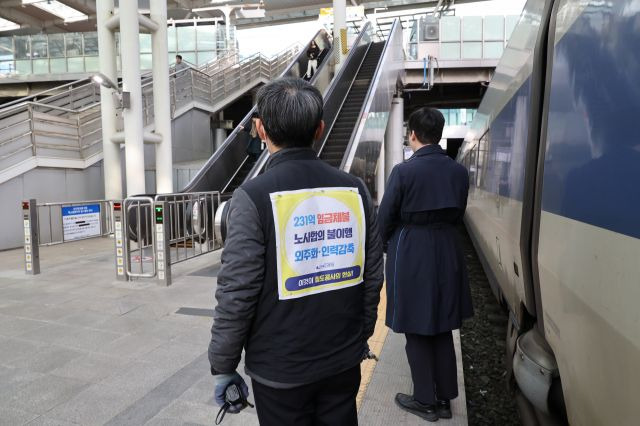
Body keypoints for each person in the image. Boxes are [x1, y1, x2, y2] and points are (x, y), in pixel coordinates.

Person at [208, 77, 384, 425]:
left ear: (260, 129)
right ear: (319, 129)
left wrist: (223, 365)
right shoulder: (355, 192)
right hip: (342, 361)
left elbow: (237, 292)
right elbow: (373, 274)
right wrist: (360, 335)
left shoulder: (252, 197)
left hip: (281, 370)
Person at [377, 107, 473, 422]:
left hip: (413, 250)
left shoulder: (403, 172)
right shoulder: (458, 172)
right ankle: (445, 400)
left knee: (417, 328)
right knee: (442, 325)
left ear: (413, 135)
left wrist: (388, 244)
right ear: (440, 134)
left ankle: (425, 401)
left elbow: (385, 218)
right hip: (447, 248)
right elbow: (459, 213)